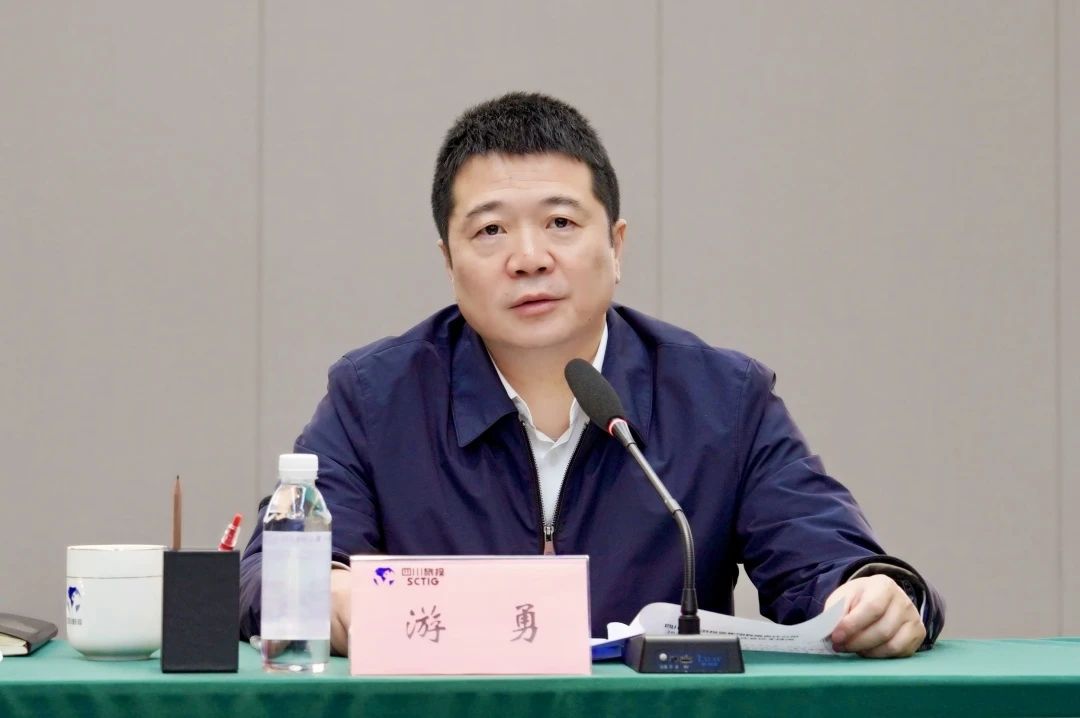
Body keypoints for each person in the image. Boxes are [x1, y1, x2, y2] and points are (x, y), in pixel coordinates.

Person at [239, 92, 944, 659]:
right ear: (448, 262)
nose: (529, 258)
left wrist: (875, 595)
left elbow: (827, 564)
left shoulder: (721, 400)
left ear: (616, 245)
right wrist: (328, 594)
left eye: (561, 223)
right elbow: (267, 577)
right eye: (490, 231)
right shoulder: (377, 399)